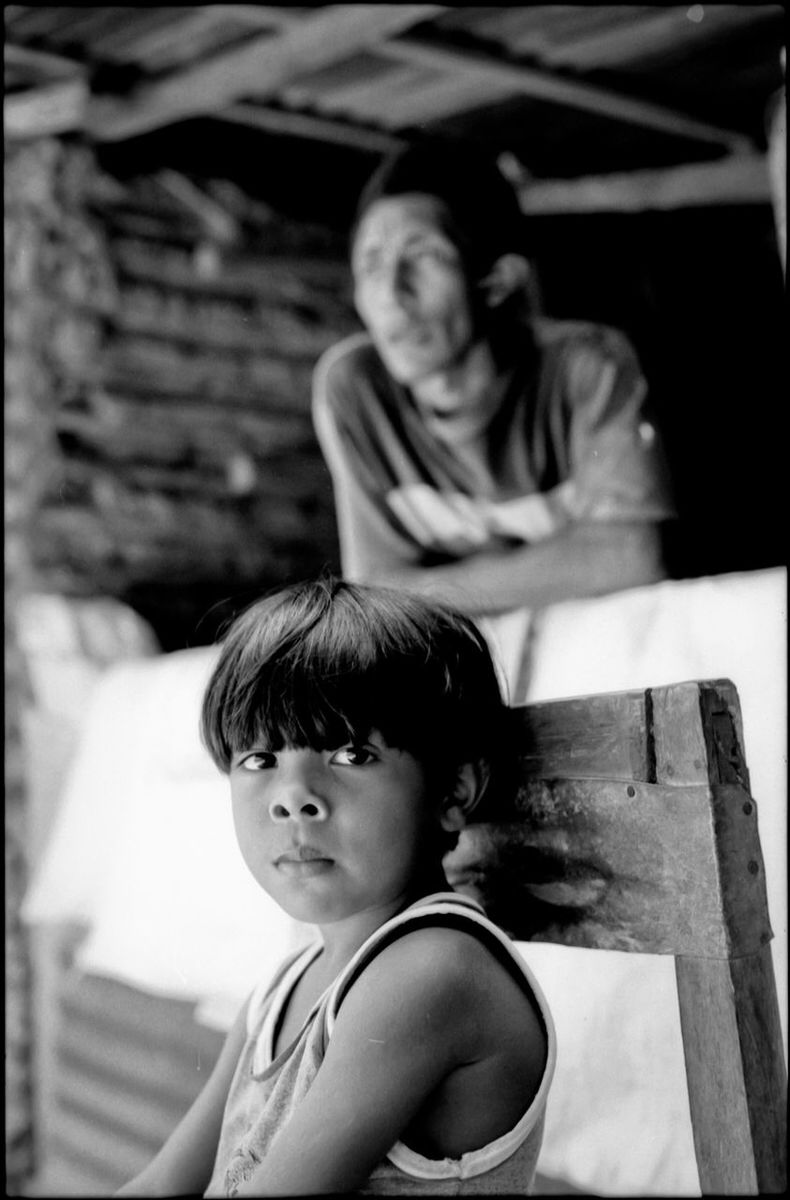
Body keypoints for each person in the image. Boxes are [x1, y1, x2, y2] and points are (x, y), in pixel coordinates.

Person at [115, 577, 556, 1197]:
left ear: (453, 791)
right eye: (259, 760)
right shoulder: (278, 994)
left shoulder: (434, 971)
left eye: (350, 754)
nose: (293, 799)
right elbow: (164, 1184)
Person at [312, 143, 676, 693]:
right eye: (371, 263)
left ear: (499, 281)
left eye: (425, 257)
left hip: (635, 663)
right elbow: (377, 596)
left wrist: (426, 590)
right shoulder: (355, 390)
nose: (391, 295)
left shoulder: (585, 369)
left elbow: (630, 556)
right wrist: (558, 566)